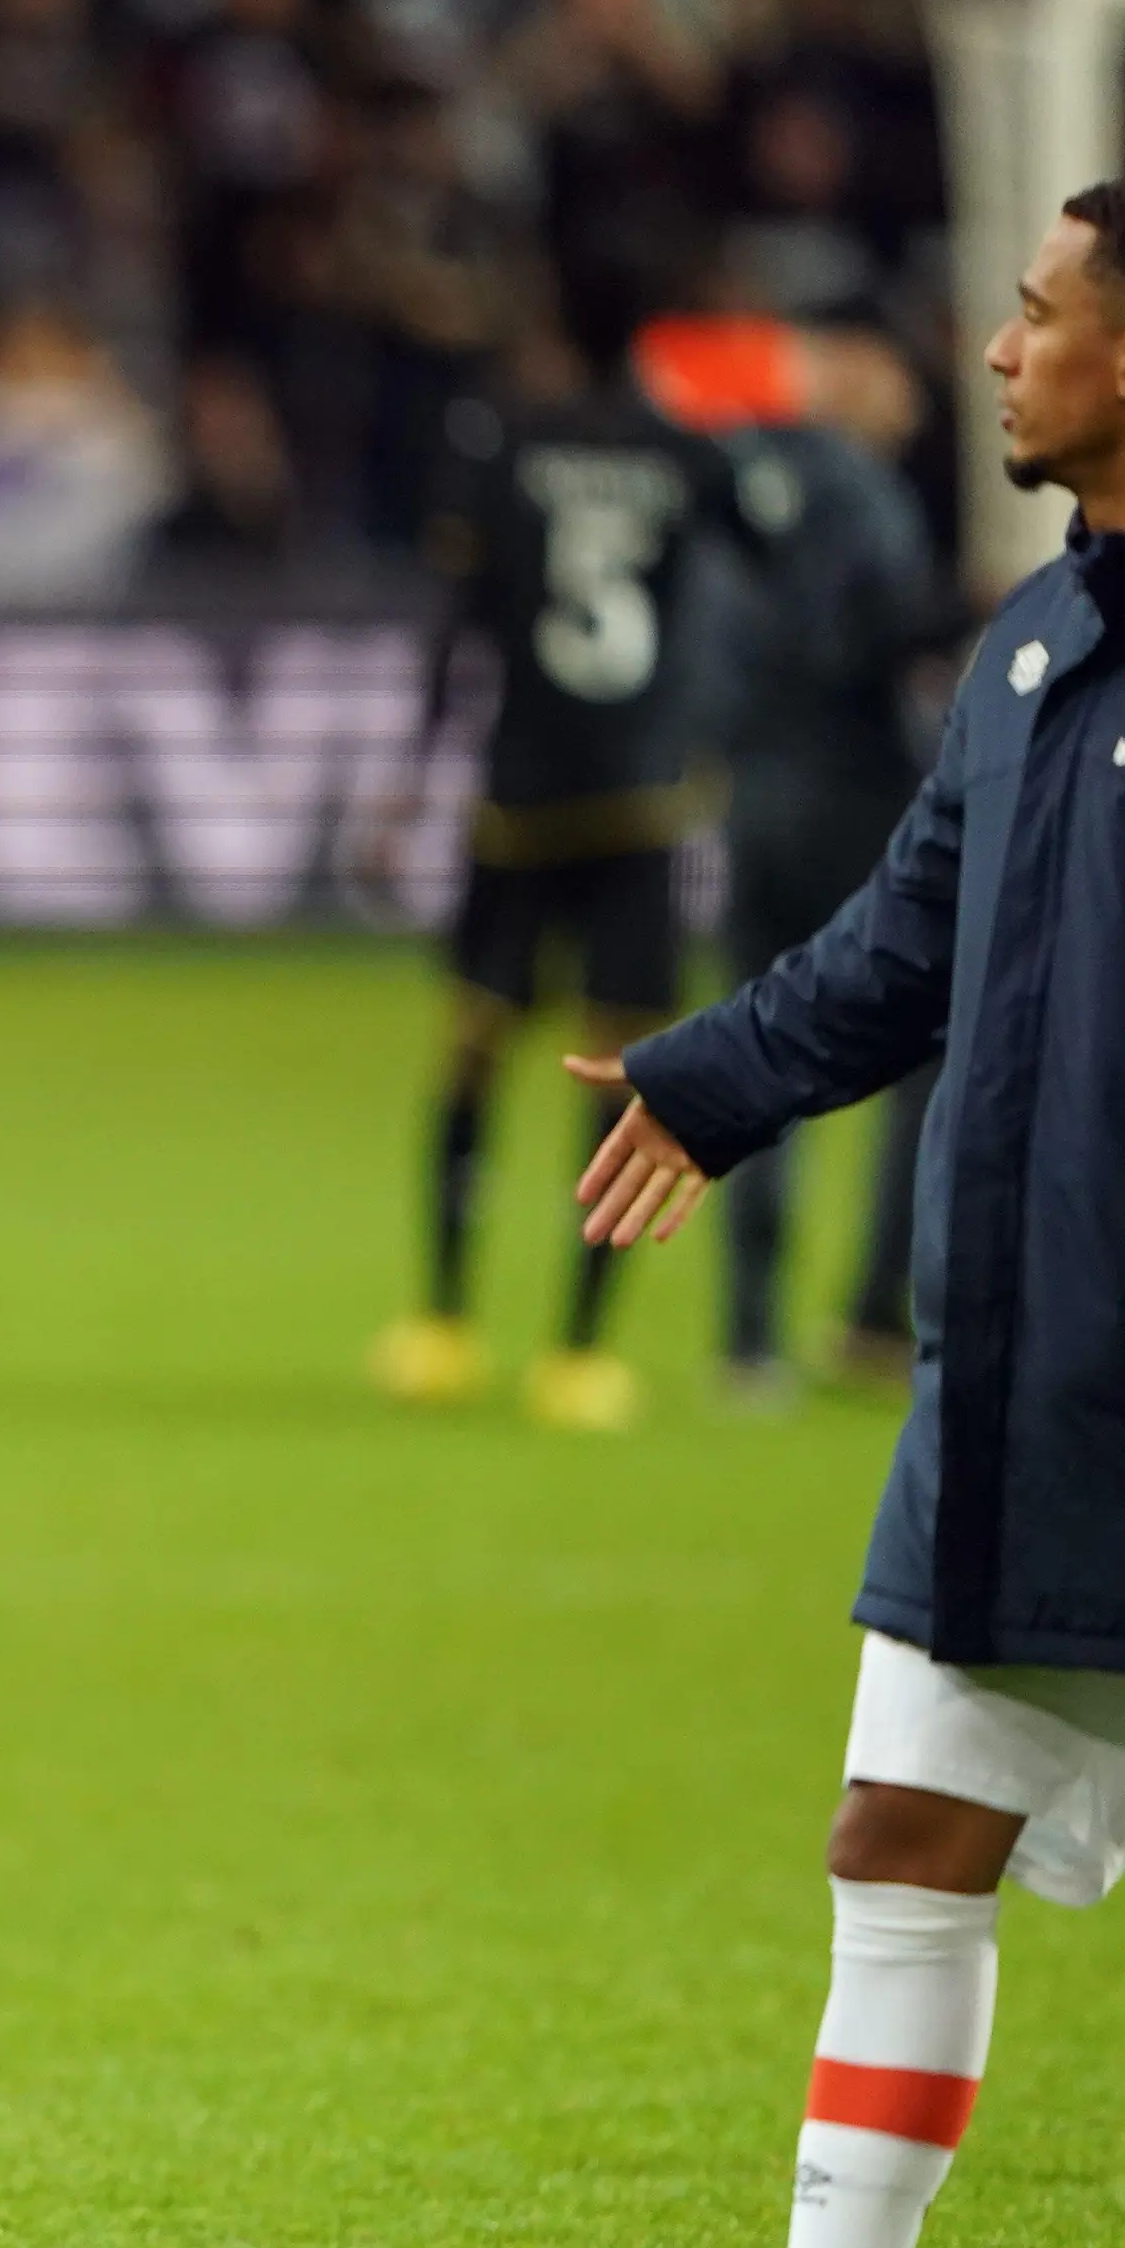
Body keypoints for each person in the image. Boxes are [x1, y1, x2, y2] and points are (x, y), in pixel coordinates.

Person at [506, 177, 1125, 2248]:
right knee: (901, 1837)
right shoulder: (1039, 637)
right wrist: (712, 1078)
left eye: (1035, 316)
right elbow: (907, 939)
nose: (995, 351)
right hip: (1021, 1393)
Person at [369, 284, 760, 1433]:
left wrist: (413, 772)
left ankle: (442, 1324)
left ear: (553, 334)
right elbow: (763, 568)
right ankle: (580, 1356)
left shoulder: (506, 447)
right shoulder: (687, 455)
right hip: (643, 798)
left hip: (523, 797)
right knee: (622, 1070)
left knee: (473, 1050)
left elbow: (461, 622)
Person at [704, 333, 945, 1403]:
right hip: (858, 800)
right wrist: (972, 602)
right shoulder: (867, 496)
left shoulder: (737, 482)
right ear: (853, 377)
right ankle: (877, 1312)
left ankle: (749, 1337)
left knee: (763, 1044)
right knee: (932, 1039)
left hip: (754, 798)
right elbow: (867, 639)